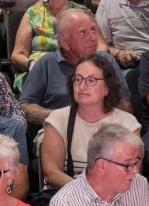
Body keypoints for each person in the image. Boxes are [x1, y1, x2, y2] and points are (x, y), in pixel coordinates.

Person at [41, 54, 141, 189]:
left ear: (107, 88)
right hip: (68, 196)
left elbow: (131, 172)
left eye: (91, 80)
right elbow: (51, 173)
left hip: (114, 196)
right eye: (78, 79)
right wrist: (87, 192)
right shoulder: (58, 119)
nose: (82, 86)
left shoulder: (127, 124)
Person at [13, 0, 87, 81]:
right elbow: (17, 54)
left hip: (76, 72)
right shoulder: (33, 14)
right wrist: (33, 66)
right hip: (41, 75)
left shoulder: (83, 13)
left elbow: (101, 47)